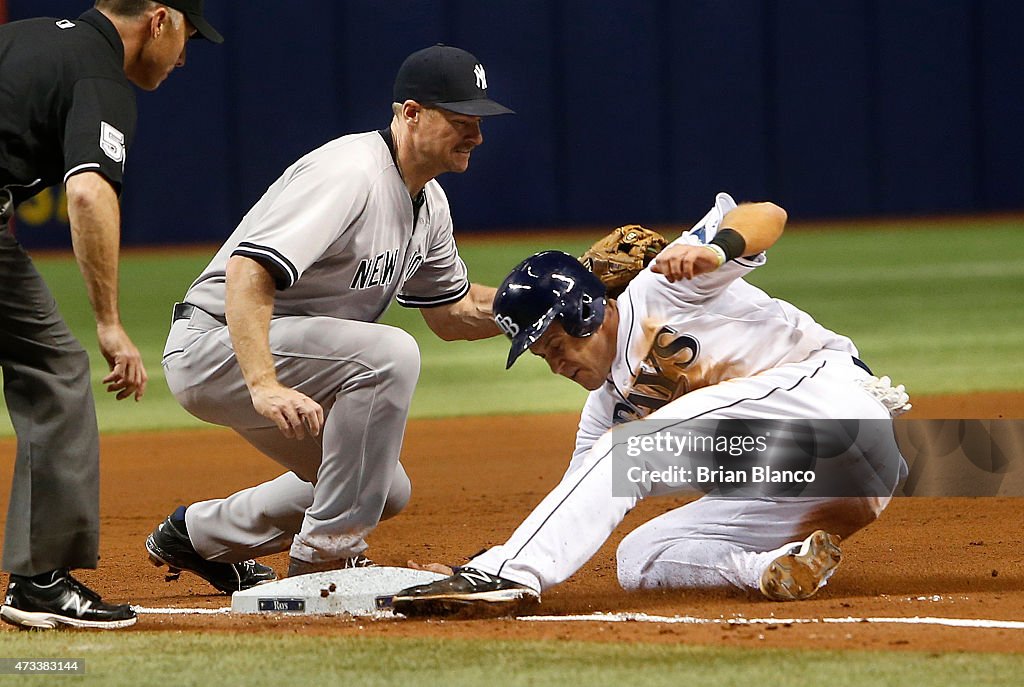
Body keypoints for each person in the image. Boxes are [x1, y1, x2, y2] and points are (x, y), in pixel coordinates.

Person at [392, 192, 911, 618]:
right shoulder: (606, 410)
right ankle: (775, 566)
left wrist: (718, 250)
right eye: (541, 356)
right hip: (839, 489)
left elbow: (767, 214)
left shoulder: (660, 288)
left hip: (838, 410)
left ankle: (507, 577)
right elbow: (580, 492)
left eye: (554, 345)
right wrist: (496, 549)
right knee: (638, 558)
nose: (554, 364)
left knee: (627, 452)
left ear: (585, 312)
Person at [143, 44, 513, 592]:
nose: (476, 136)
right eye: (462, 121)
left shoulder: (428, 203)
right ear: (410, 114)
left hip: (281, 353)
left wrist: (546, 300)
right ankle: (325, 560)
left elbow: (453, 313)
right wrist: (263, 383)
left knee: (382, 488)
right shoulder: (350, 173)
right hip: (217, 345)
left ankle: (195, 535)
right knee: (389, 353)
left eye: (479, 122)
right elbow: (248, 270)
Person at [0, 1, 222, 630]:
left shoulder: (28, 38)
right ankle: (40, 582)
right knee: (56, 372)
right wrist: (109, 321)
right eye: (185, 37)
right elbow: (89, 191)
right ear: (158, 20)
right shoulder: (100, 74)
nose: (183, 56)